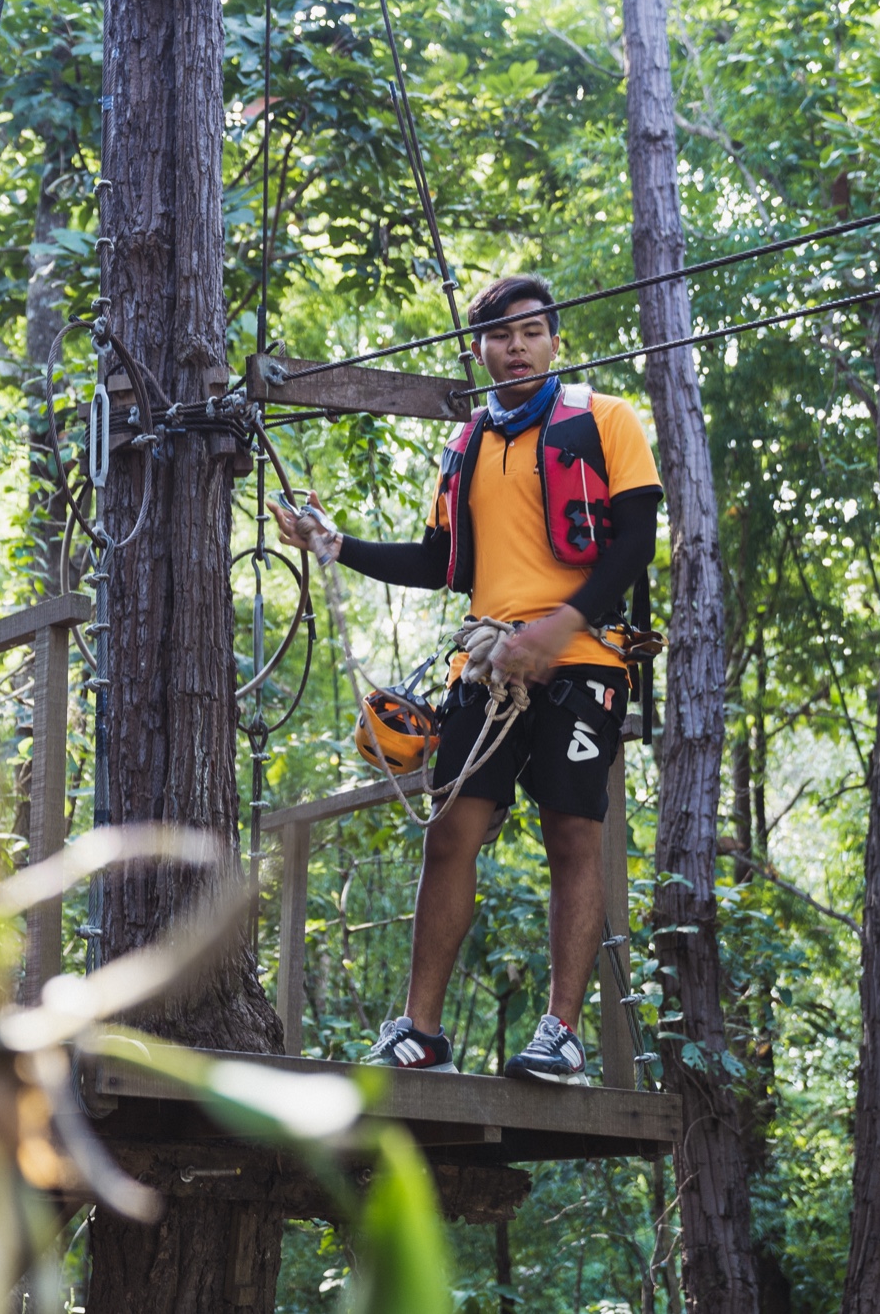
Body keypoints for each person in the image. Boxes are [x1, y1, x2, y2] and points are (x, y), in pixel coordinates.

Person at [268, 275, 662, 1082]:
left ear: (555, 340)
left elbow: (635, 543)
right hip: (485, 664)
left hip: (583, 660)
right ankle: (420, 1031)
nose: (515, 347)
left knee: (571, 834)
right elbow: (440, 561)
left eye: (530, 332)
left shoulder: (606, 420)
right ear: (477, 350)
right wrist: (334, 543)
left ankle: (562, 1032)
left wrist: (560, 626)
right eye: (498, 336)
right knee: (450, 832)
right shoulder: (472, 444)